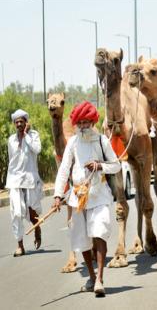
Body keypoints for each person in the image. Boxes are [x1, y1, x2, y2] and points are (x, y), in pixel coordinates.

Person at [52, 101, 121, 297]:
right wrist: (58, 195)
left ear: (92, 122)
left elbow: (116, 165)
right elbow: (64, 168)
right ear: (76, 123)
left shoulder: (101, 140)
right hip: (78, 198)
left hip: (99, 196)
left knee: (99, 233)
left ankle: (99, 278)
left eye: (86, 122)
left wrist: (100, 166)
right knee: (82, 240)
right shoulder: (73, 142)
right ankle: (91, 277)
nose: (82, 126)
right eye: (79, 123)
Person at [6, 109, 43, 257]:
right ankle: (20, 245)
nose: (19, 124)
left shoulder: (33, 136)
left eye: (22, 121)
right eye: (17, 122)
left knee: (32, 210)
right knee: (16, 212)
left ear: (26, 123)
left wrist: (26, 135)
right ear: (14, 124)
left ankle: (37, 230)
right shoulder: (11, 140)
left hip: (30, 179)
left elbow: (37, 149)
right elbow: (11, 160)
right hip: (14, 180)